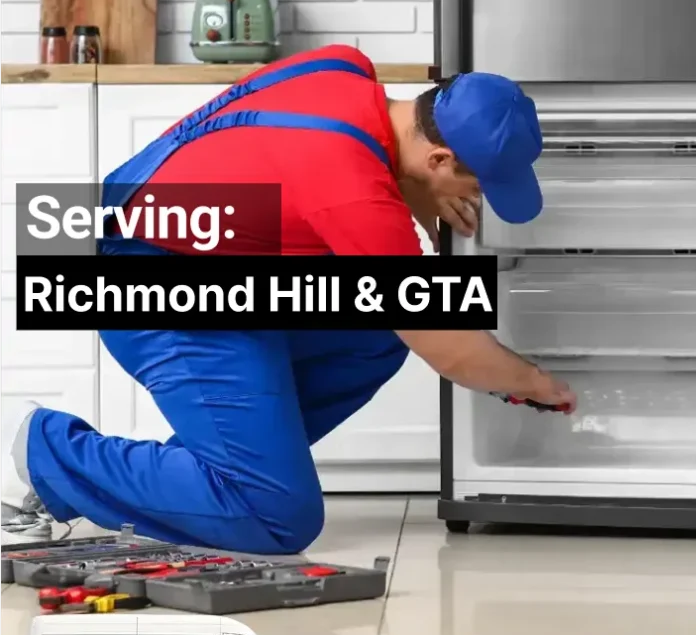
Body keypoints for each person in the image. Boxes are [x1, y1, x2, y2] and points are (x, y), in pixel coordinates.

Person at [1, 45, 576, 552]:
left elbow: (282, 159)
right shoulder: (356, 195)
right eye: (473, 185)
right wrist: (540, 386)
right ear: (439, 160)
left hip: (213, 253)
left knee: (375, 334)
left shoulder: (343, 68)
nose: (473, 199)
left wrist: (418, 196)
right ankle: (41, 450)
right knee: (279, 517)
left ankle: (209, 476)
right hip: (145, 273)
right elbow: (449, 350)